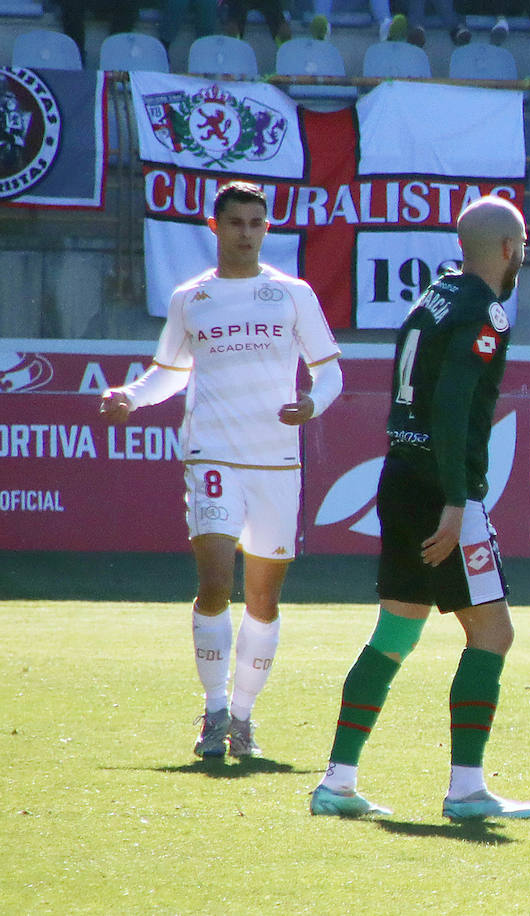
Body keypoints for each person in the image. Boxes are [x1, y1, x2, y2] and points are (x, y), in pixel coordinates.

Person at [309, 196, 530, 821]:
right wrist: (457, 501)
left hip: (400, 475)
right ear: (506, 248)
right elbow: (453, 402)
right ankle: (467, 789)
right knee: (493, 633)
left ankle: (338, 782)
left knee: (397, 629)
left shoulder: (433, 298)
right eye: (521, 244)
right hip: (442, 490)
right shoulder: (484, 311)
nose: (524, 255)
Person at [99, 181, 343, 760]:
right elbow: (169, 372)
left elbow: (330, 370)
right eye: (236, 223)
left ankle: (243, 716)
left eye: (256, 223)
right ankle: (212, 714)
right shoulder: (192, 298)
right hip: (211, 454)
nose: (247, 233)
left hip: (276, 461)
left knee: (263, 599)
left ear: (266, 228)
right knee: (214, 582)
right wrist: (131, 396)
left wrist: (311, 403)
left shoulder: (292, 294)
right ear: (216, 227)